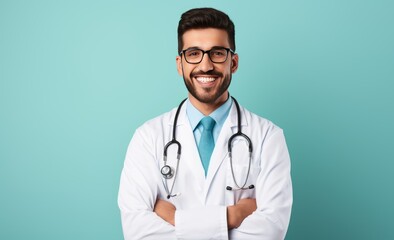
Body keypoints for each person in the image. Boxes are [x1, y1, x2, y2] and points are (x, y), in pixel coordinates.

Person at [118, 7, 293, 240]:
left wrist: (175, 219)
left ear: (234, 62)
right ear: (180, 64)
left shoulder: (268, 136)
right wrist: (234, 215)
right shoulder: (148, 137)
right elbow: (137, 233)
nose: (206, 65)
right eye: (193, 53)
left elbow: (271, 231)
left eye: (217, 53)